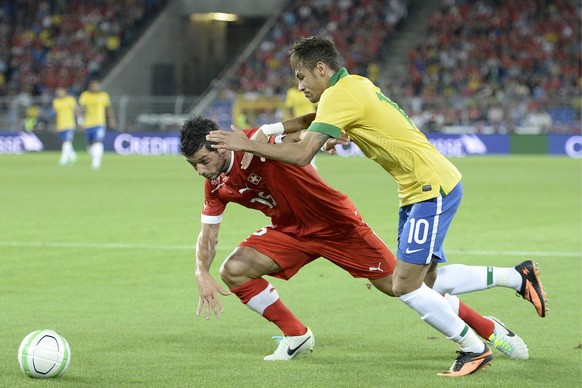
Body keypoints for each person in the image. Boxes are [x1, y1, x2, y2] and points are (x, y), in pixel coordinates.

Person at [205, 36, 547, 376]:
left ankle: (473, 348)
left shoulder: (340, 95)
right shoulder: (353, 86)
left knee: (404, 286)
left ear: (320, 69)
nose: (299, 85)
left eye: (301, 76)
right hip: (416, 188)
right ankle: (516, 278)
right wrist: (272, 128)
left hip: (430, 186)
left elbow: (300, 153)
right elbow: (314, 120)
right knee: (424, 282)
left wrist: (246, 142)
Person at [182, 115, 531, 367]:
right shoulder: (215, 183)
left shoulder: (258, 140)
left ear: (219, 144)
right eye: (193, 164)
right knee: (235, 270)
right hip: (291, 231)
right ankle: (296, 336)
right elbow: (208, 234)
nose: (200, 169)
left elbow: (308, 126)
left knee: (403, 286)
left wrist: (326, 137)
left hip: (339, 227)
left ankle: (488, 327)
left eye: (203, 160)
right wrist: (201, 271)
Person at [78, 80, 116, 170]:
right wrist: (80, 119)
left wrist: (111, 120)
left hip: (99, 123)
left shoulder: (104, 96)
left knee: (97, 141)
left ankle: (96, 162)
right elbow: (82, 108)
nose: (95, 88)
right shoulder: (85, 95)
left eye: (97, 86)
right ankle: (94, 158)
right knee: (90, 144)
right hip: (88, 123)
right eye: (93, 86)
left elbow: (108, 109)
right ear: (90, 87)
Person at [52, 87, 79, 166]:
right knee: (64, 142)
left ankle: (63, 159)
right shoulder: (55, 101)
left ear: (65, 92)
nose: (59, 93)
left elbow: (76, 110)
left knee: (66, 141)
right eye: (57, 92)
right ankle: (73, 156)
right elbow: (56, 114)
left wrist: (79, 120)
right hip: (60, 125)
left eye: (60, 91)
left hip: (69, 124)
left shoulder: (70, 100)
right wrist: (55, 125)